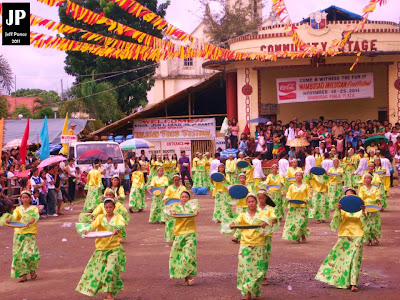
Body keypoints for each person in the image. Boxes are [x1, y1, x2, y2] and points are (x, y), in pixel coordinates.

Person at [315, 188, 368, 292]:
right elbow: (335, 223)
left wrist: (364, 211)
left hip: (358, 235)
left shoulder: (360, 209)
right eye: (347, 196)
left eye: (351, 195)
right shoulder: (342, 209)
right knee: (342, 259)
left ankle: (353, 283)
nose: (349, 198)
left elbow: (366, 224)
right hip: (344, 235)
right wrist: (338, 210)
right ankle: (344, 281)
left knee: (355, 259)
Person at [76, 198, 126, 300]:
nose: (108, 209)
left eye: (110, 207)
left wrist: (117, 229)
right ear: (104, 208)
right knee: (98, 272)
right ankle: (104, 291)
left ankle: (109, 295)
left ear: (114, 207)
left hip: (114, 248)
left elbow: (121, 224)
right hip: (101, 249)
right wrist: (86, 230)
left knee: (110, 271)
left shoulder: (118, 217)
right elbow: (92, 226)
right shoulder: (100, 218)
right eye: (106, 207)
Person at [229, 194, 268, 300]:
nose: (251, 203)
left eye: (253, 201)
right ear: (247, 204)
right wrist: (232, 224)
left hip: (258, 244)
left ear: (256, 203)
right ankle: (247, 293)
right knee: (245, 269)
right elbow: (235, 223)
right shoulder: (242, 215)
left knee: (258, 269)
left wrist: (265, 223)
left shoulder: (262, 214)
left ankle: (257, 292)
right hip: (245, 244)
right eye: (249, 202)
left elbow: (270, 222)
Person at [1, 190, 40, 282]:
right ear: (21, 199)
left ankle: (32, 270)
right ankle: (22, 274)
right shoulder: (18, 209)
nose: (25, 199)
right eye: (23, 198)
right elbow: (14, 217)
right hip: (19, 234)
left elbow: (34, 217)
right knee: (18, 254)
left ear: (30, 198)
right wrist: (8, 219)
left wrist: (29, 222)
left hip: (30, 233)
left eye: (26, 197)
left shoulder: (34, 208)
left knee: (29, 254)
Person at [169, 191, 199, 286]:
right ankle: (186, 278)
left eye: (186, 197)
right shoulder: (176, 207)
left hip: (190, 234)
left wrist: (195, 212)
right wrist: (172, 212)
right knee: (178, 256)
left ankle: (190, 276)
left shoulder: (192, 206)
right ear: (180, 198)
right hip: (179, 234)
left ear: (189, 199)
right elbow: (170, 212)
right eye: (182, 197)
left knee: (189, 255)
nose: (184, 198)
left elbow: (196, 211)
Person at [282, 171, 312, 243]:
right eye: (297, 175)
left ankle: (302, 235)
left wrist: (307, 200)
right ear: (295, 177)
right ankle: (297, 238)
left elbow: (309, 195)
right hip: (294, 207)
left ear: (302, 177)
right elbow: (288, 194)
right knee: (294, 223)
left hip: (302, 207)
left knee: (301, 222)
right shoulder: (291, 186)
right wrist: (288, 199)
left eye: (300, 175)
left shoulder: (306, 186)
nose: (298, 176)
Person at [257, 190, 279, 285]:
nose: (261, 200)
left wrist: (270, 221)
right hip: (256, 235)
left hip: (267, 235)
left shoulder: (270, 208)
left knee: (265, 256)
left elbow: (274, 218)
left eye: (262, 198)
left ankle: (264, 276)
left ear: (266, 198)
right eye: (259, 198)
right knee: (256, 256)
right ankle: (256, 275)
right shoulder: (255, 208)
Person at [359, 173, 381, 246]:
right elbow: (360, 197)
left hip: (374, 207)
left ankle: (374, 236)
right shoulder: (362, 188)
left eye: (368, 178)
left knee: (373, 223)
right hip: (365, 207)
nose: (366, 179)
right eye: (365, 178)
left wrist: (379, 203)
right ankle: (368, 239)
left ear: (371, 179)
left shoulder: (375, 188)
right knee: (366, 223)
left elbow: (377, 196)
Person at [163, 174, 187, 243]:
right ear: (173, 180)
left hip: (180, 206)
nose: (176, 181)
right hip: (171, 206)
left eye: (178, 180)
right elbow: (166, 196)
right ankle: (171, 237)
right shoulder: (170, 188)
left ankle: (180, 237)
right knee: (171, 222)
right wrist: (165, 202)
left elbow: (185, 195)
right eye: (175, 180)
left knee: (180, 222)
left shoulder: (183, 188)